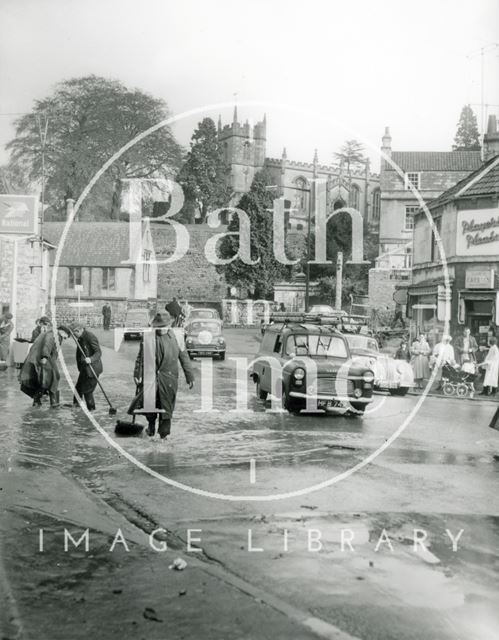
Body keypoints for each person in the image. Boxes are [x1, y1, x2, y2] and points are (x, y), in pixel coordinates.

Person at [127, 311, 194, 439]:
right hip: (150, 377)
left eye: (163, 327)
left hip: (168, 378)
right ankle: (151, 426)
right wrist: (137, 373)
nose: (160, 330)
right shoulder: (148, 337)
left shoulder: (177, 337)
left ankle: (163, 436)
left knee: (166, 407)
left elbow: (184, 357)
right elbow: (140, 357)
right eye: (158, 327)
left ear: (169, 325)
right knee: (150, 406)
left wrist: (189, 376)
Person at [20, 318, 70, 407]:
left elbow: (54, 350)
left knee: (47, 379)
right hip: (43, 360)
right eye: (67, 335)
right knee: (50, 379)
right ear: (62, 331)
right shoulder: (52, 335)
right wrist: (45, 357)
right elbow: (47, 345)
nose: (66, 337)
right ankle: (51, 403)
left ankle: (40, 401)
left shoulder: (56, 335)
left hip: (47, 360)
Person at [70, 322, 103, 411]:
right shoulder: (81, 337)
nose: (74, 336)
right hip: (85, 369)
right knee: (78, 389)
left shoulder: (90, 336)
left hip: (92, 369)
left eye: (74, 333)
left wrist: (91, 359)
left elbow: (98, 352)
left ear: (79, 330)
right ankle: (76, 408)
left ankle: (91, 410)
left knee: (88, 391)